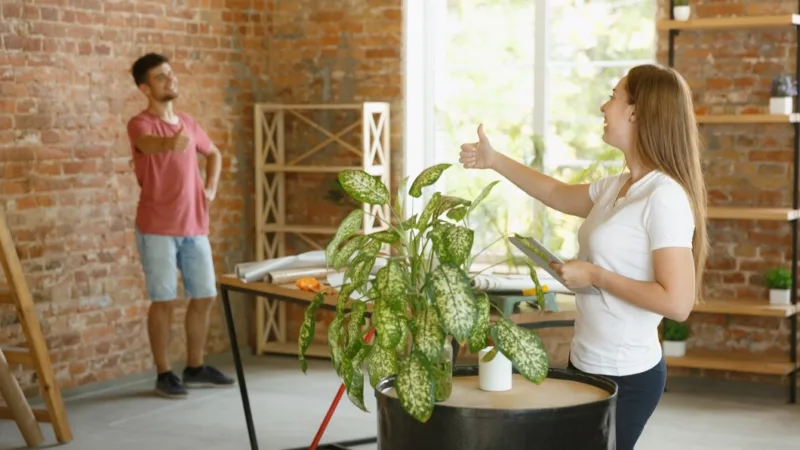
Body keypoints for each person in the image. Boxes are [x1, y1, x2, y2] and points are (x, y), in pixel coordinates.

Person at [459, 63, 707, 449]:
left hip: (629, 374)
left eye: (613, 96)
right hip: (586, 362)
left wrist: (595, 276)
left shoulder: (665, 197)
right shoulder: (619, 186)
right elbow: (556, 194)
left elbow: (677, 303)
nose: (603, 107)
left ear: (636, 112)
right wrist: (495, 160)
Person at [126, 53, 234, 399]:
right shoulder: (141, 124)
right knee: (164, 300)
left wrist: (211, 188)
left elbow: (213, 153)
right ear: (145, 88)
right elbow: (147, 144)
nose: (170, 80)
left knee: (204, 295)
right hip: (157, 227)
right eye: (160, 77)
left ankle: (195, 366)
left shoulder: (188, 121)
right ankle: (163, 373)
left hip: (194, 226)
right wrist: (169, 143)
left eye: (170, 74)